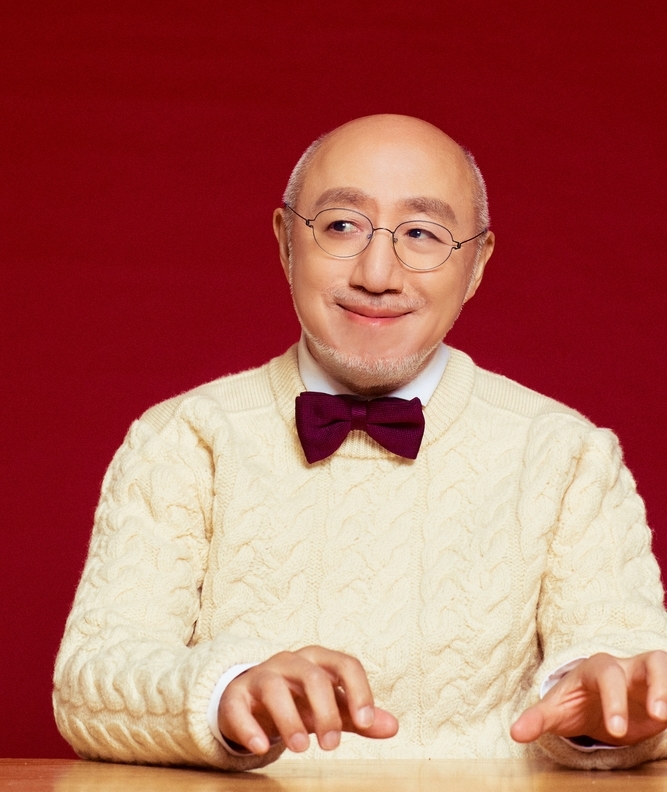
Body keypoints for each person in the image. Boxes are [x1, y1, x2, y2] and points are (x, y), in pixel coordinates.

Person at [53, 114, 667, 771]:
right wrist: (226, 691)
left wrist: (612, 718)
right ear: (287, 241)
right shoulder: (183, 438)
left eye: (422, 234)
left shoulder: (567, 454)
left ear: (477, 264)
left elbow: (634, 672)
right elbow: (92, 682)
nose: (377, 274)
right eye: (342, 225)